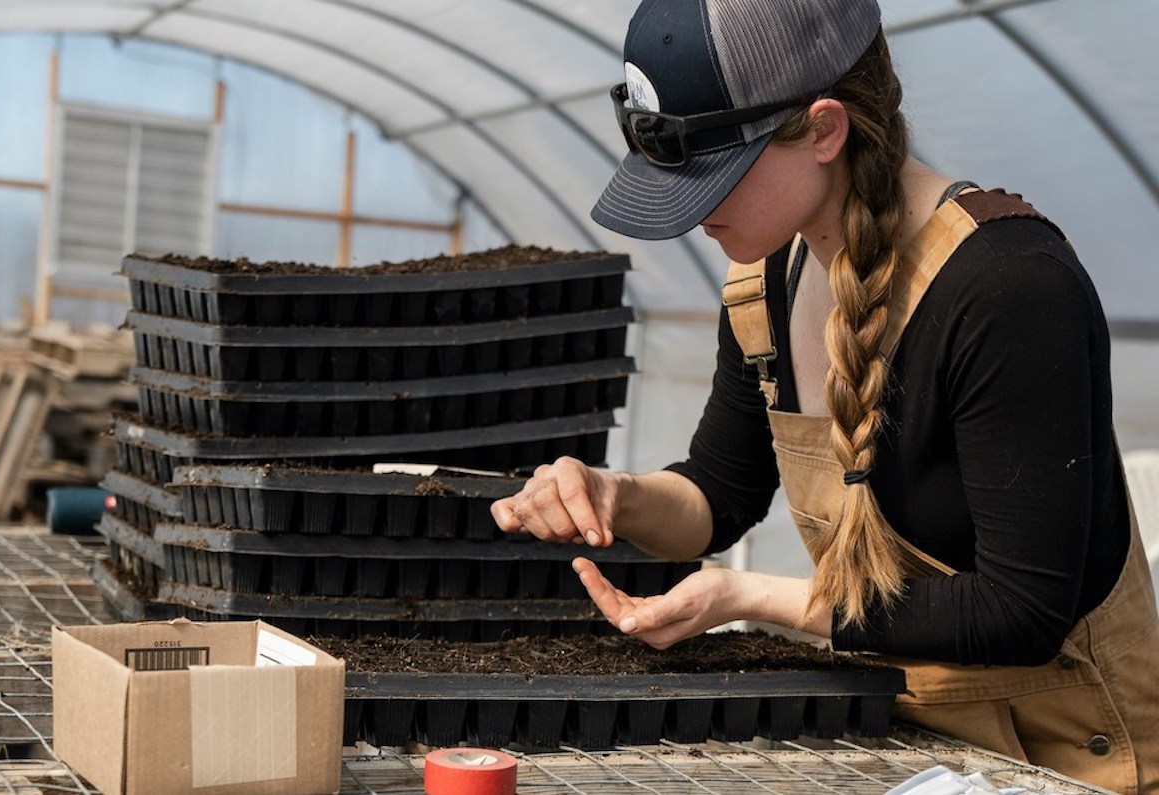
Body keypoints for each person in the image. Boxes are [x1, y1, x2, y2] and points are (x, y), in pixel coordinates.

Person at [489, 0, 1159, 792]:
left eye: (714, 175)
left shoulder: (1007, 287)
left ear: (823, 129)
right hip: (906, 746)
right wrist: (615, 493)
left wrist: (753, 596)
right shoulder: (768, 277)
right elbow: (718, 494)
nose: (692, 213)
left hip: (1070, 760)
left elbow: (1022, 609)